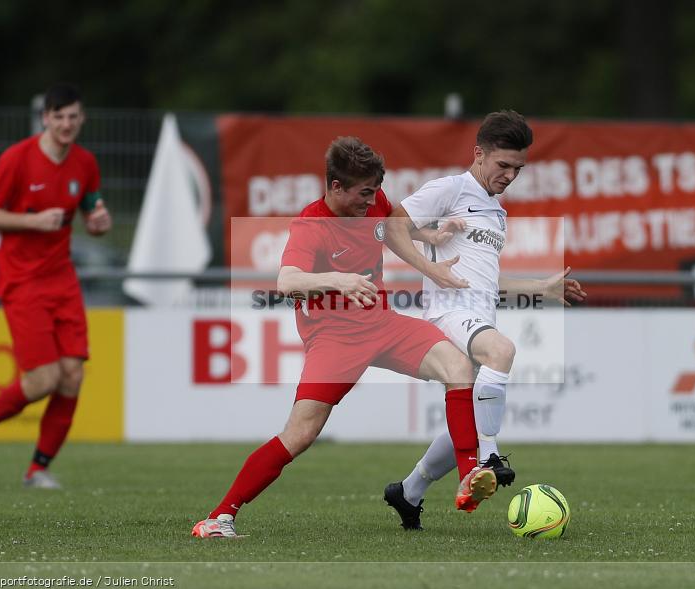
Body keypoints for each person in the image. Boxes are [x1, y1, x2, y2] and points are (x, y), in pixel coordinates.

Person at [192, 137, 496, 538]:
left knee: (459, 366)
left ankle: (467, 472)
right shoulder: (311, 225)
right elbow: (287, 282)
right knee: (300, 435)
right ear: (336, 187)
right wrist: (338, 280)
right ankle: (218, 517)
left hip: (382, 323)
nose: (371, 202)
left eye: (374, 192)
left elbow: (390, 228)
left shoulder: (372, 201)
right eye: (363, 194)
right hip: (334, 338)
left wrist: (431, 237)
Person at [382, 110, 586, 529]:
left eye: (518, 168)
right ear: (479, 154)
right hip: (447, 315)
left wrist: (541, 289)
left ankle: (409, 491)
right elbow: (390, 225)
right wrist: (430, 264)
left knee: (470, 421)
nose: (510, 175)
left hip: (477, 315)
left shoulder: (497, 213)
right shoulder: (450, 190)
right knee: (503, 350)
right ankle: (489, 456)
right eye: (503, 165)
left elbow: (490, 280)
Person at [0, 83, 112, 489]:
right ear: (45, 118)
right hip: (22, 280)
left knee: (73, 376)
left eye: (73, 117)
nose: (66, 124)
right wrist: (32, 221)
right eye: (58, 116)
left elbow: (92, 211)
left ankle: (37, 469)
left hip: (61, 277)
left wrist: (99, 224)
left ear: (82, 119)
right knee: (42, 380)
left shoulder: (84, 163)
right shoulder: (17, 159)